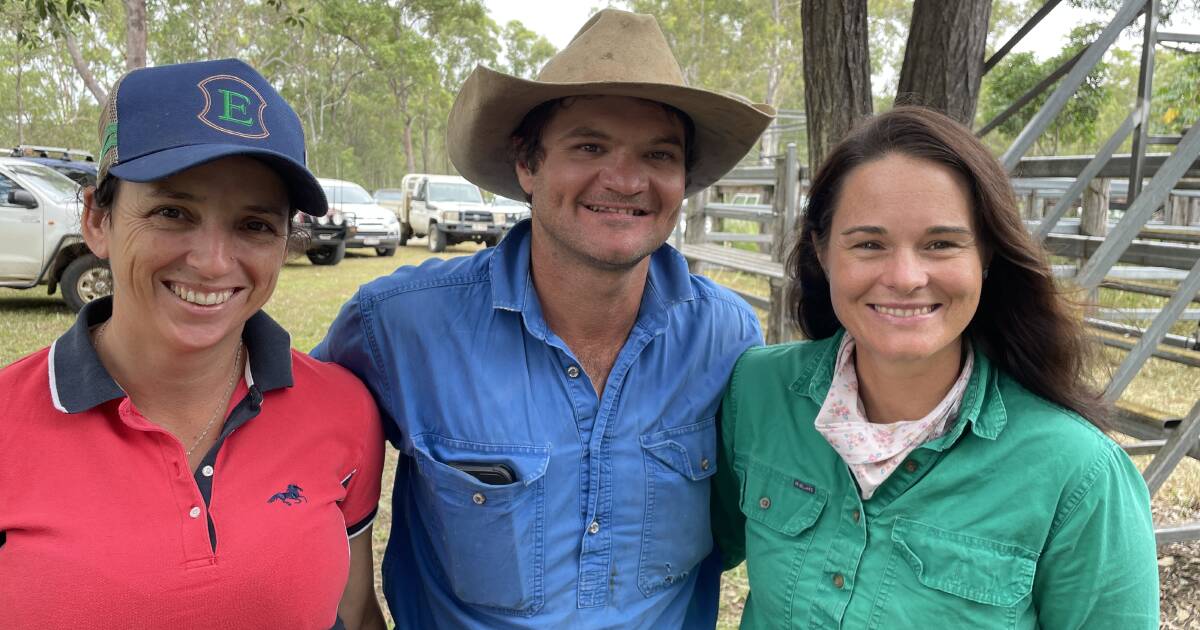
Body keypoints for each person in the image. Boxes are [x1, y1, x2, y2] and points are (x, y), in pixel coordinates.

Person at [313, 9, 773, 628]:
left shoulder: (725, 338)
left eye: (659, 154)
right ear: (527, 166)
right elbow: (296, 452)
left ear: (683, 179)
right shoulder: (399, 327)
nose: (627, 179)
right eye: (590, 146)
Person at [710, 106, 1160, 628]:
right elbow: (680, 556)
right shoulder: (759, 392)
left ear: (986, 254)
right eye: (869, 244)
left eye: (941, 244)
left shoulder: (1081, 475)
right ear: (823, 249)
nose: (904, 276)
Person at [0, 59, 386, 630]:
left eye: (254, 225)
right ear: (97, 220)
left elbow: (352, 612)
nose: (211, 263)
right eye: (172, 212)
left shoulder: (344, 410)